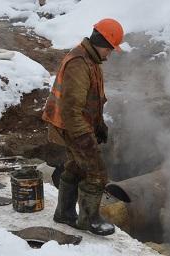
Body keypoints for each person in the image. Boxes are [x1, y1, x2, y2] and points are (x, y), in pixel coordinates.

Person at [42, 18, 124, 236]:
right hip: (71, 127)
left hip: (77, 125)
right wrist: (84, 138)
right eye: (111, 49)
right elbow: (71, 111)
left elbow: (91, 101)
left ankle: (64, 213)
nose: (111, 54)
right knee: (96, 172)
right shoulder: (79, 63)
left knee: (76, 167)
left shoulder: (91, 59)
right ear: (103, 43)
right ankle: (89, 219)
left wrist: (99, 125)